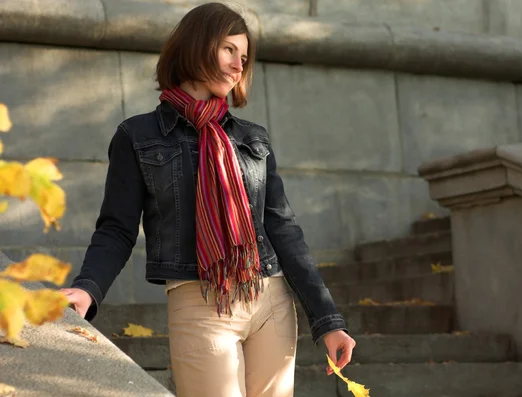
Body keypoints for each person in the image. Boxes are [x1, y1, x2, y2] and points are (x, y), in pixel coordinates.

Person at [59, 2, 356, 396]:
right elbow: (117, 229)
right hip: (200, 303)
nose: (238, 66)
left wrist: (328, 320)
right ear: (197, 45)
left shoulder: (252, 138)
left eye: (244, 57)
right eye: (228, 50)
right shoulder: (139, 136)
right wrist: (88, 287)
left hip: (270, 299)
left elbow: (283, 227)